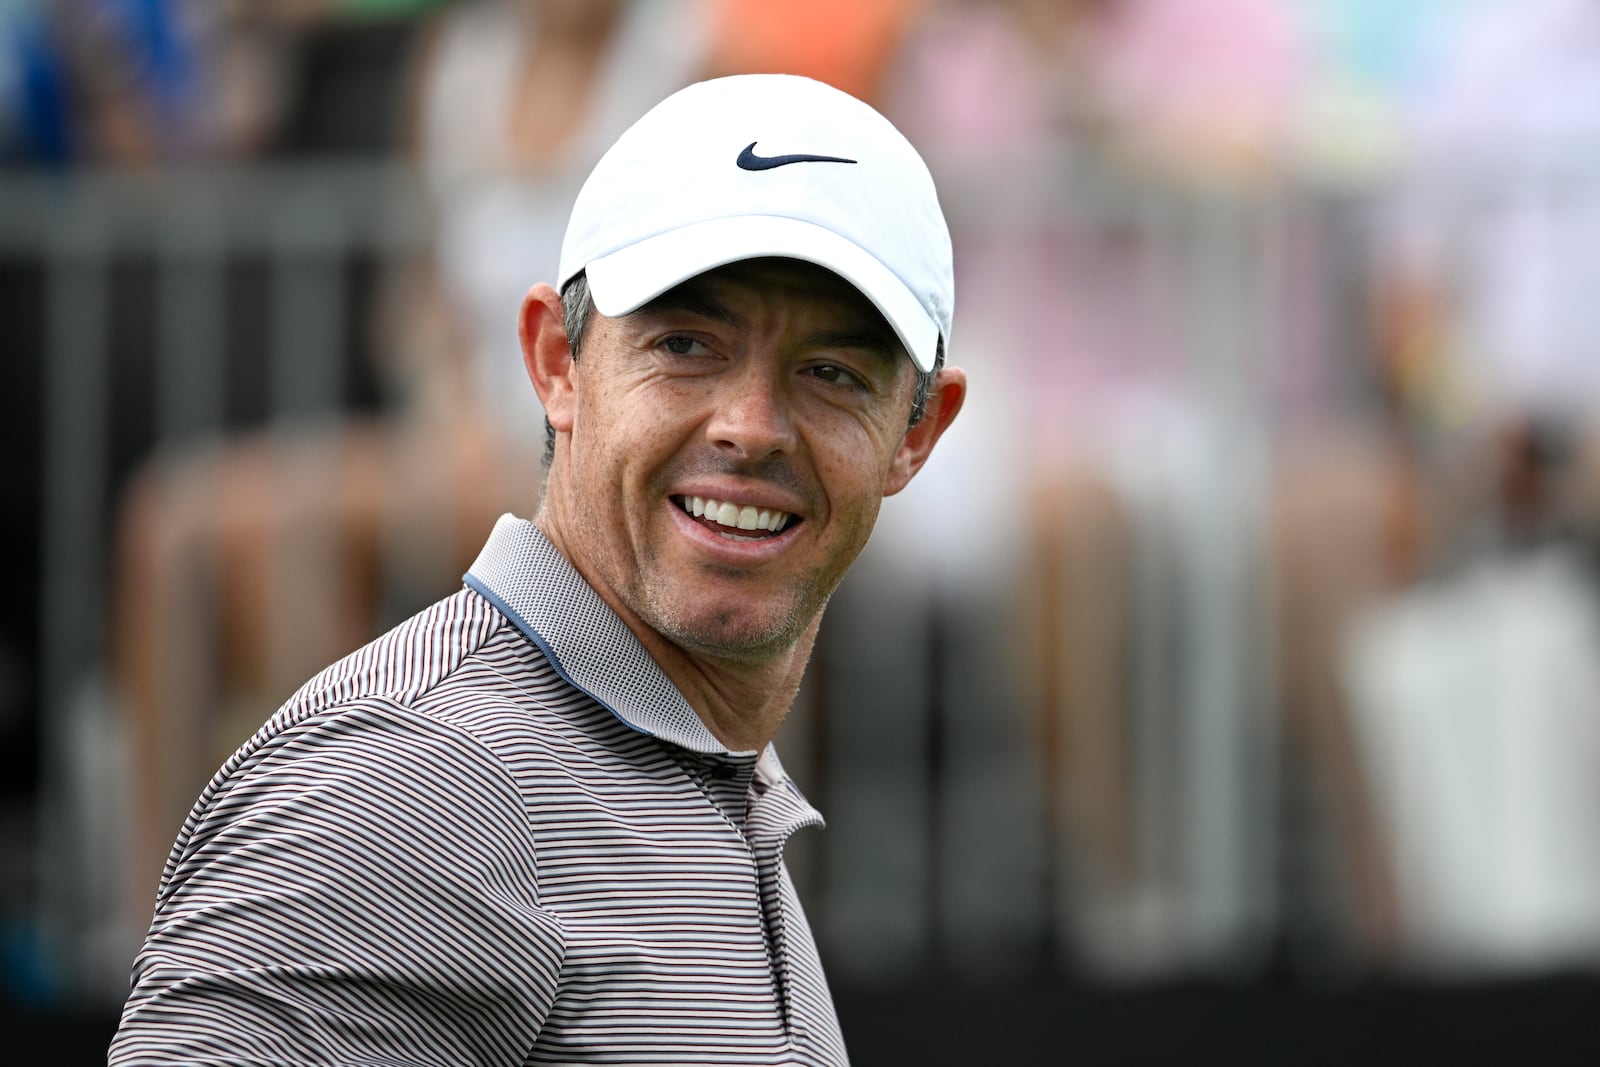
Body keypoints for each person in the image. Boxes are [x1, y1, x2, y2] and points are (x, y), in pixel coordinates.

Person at [108, 73, 965, 1064]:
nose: (749, 426)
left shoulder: (701, 779)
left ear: (917, 432)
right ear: (557, 361)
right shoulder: (412, 778)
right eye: (685, 343)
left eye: (830, 372)